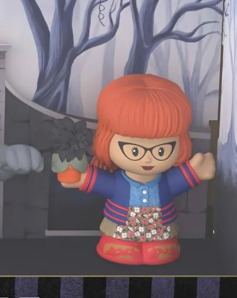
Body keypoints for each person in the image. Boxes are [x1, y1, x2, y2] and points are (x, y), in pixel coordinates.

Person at [60, 74, 216, 265]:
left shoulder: (164, 182)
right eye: (134, 150)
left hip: (161, 232)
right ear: (106, 140)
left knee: (160, 250)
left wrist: (196, 171)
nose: (148, 158)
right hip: (120, 231)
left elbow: (178, 181)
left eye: (161, 150)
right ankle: (125, 247)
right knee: (120, 248)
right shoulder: (117, 182)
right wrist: (79, 177)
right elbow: (98, 181)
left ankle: (157, 248)